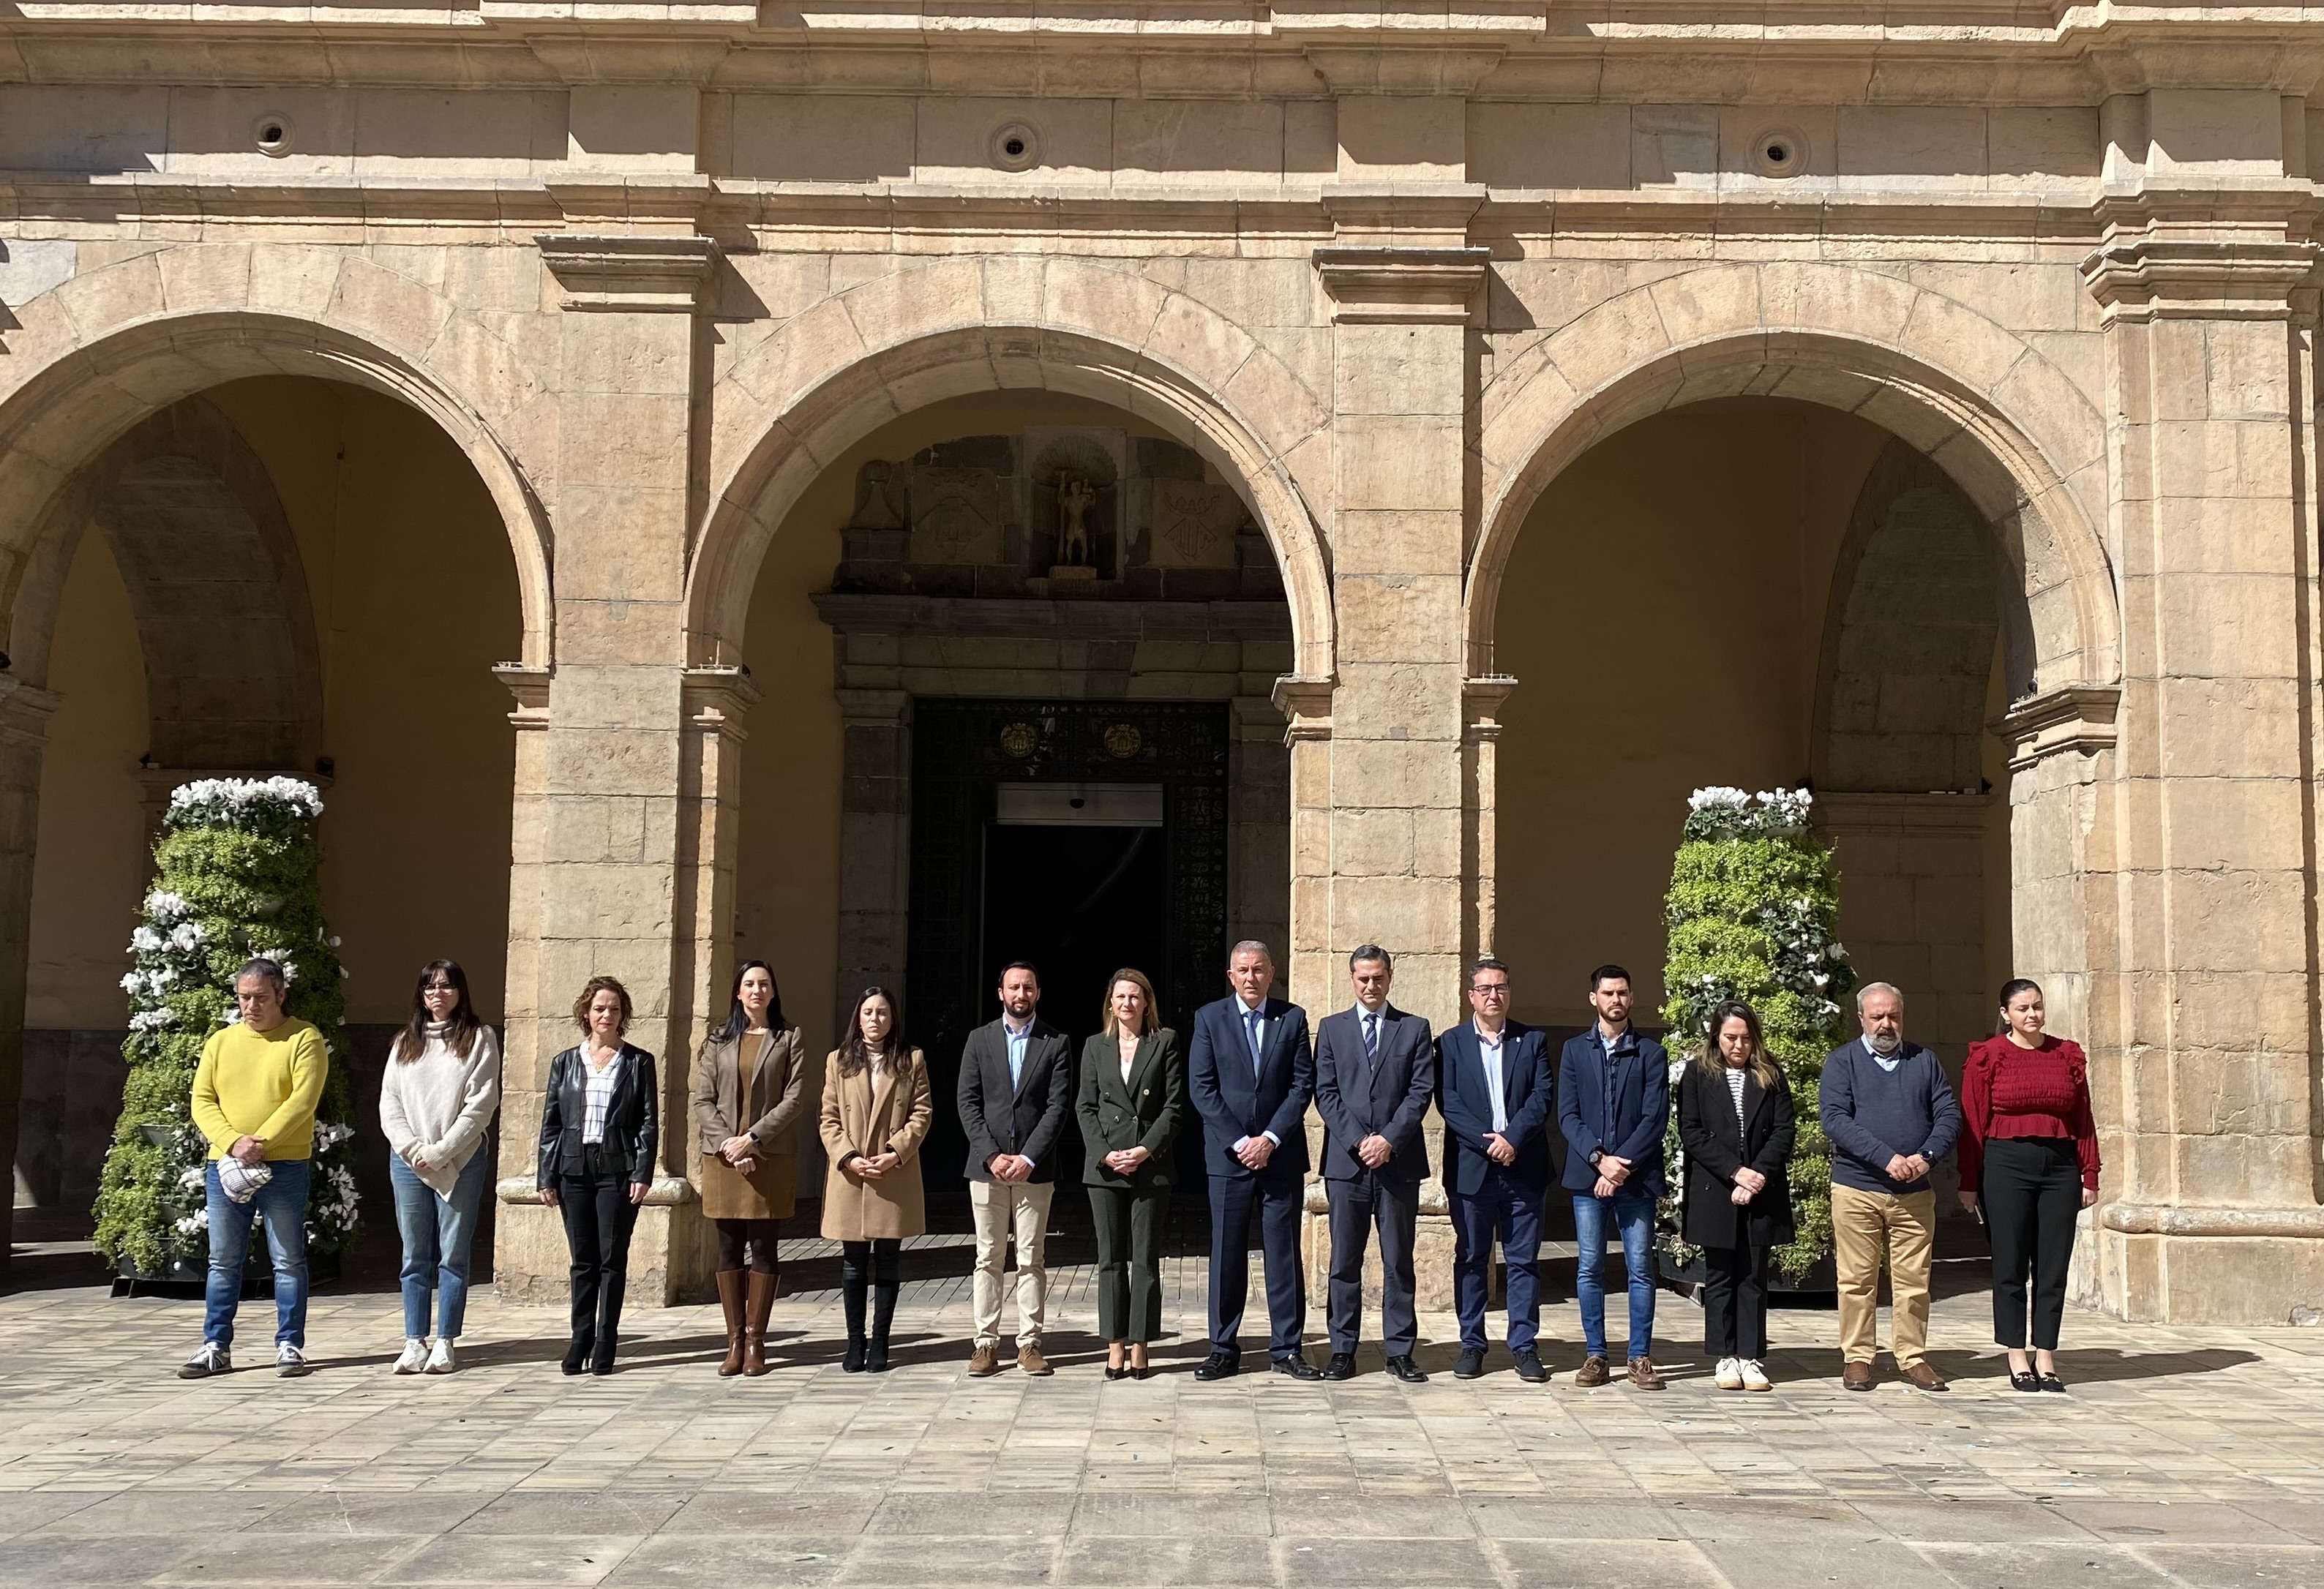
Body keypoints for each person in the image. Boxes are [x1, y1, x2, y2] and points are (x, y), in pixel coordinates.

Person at [179, 958, 329, 1380]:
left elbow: (302, 1101)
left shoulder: (304, 1039)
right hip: (225, 1164)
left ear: (281, 995)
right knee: (223, 1261)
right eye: (244, 997)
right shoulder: (221, 1042)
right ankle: (215, 1346)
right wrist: (233, 1143)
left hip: (284, 1165)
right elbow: (202, 1100)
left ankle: (289, 1345)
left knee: (287, 1259)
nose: (251, 1006)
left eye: (261, 997)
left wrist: (259, 1142)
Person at [1185, 939, 1318, 1380]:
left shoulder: (1293, 1018)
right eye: (1242, 970)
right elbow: (1203, 1089)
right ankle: (1223, 1347)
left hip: (1279, 1157)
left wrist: (1271, 1139)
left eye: (1258, 969)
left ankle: (1288, 1349)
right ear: (1230, 975)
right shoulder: (1209, 1019)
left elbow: (1302, 1086)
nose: (1250, 977)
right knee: (1227, 1254)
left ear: (1271, 972)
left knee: (1283, 1255)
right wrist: (1242, 1141)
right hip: (1229, 1158)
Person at [1820, 980, 1961, 1392]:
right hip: (1857, 1188)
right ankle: (1859, 1357)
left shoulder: (1925, 1061)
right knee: (1857, 1280)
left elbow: (1948, 1116)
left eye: (1893, 1016)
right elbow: (1835, 1120)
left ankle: (1912, 1357)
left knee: (1914, 1281)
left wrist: (1926, 1157)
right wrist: (1886, 1157)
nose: (1886, 1024)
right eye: (1877, 1016)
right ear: (1860, 1017)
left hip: (1914, 1192)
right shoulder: (1842, 1062)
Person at [1960, 978, 2099, 1393]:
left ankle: (2046, 1355)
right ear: (2006, 1014)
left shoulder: (2066, 1055)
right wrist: (1969, 1182)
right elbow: (1972, 1122)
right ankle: (2016, 1354)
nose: (2032, 1015)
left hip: (2059, 1166)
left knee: (2053, 1266)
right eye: (2022, 1009)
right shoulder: (1988, 1057)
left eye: (2037, 1007)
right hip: (2005, 1165)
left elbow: (2083, 1118)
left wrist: (2088, 1173)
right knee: (2010, 1264)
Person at [1313, 944, 1436, 1383]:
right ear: (1352, 979)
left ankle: (1400, 1350)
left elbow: (1421, 1091)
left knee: (1398, 1260)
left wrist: (1387, 1139)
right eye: (1363, 978)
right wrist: (1358, 1140)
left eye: (1378, 978)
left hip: (1397, 1164)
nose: (1371, 985)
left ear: (1390, 978)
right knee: (1344, 1261)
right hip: (1347, 1166)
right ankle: (1343, 1349)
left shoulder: (1414, 1028)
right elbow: (1325, 1092)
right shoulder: (1331, 1029)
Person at [378, 959, 503, 1377]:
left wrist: (443, 1150)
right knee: (414, 1254)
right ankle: (414, 1340)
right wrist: (414, 1148)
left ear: (461, 992)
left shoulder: (479, 1039)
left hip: (462, 1160)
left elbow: (481, 1104)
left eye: (447, 986)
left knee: (452, 1254)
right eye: (430, 987)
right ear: (421, 994)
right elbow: (389, 1104)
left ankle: (446, 1341)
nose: (438, 994)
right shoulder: (404, 1042)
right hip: (409, 1162)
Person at [1436, 956, 1555, 1382]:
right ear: (1471, 996)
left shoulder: (1533, 1040)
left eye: (1500, 988)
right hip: (1473, 1168)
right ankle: (1472, 1344)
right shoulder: (1450, 1043)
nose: (1493, 996)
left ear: (1509, 992)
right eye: (1485, 989)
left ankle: (1523, 1346)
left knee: (1523, 1261)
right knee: (1471, 1258)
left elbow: (1542, 1097)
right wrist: (1489, 1143)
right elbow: (1448, 1101)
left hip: (1523, 1168)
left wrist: (1512, 1140)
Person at [690, 958, 807, 1378]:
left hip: (768, 1155)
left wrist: (752, 1139)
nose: (757, 990)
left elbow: (793, 1100)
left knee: (763, 1247)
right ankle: (734, 1341)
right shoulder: (717, 1041)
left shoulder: (788, 1037)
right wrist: (728, 1143)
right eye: (749, 984)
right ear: (738, 993)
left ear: (773, 992)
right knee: (727, 1248)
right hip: (723, 1158)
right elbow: (701, 1099)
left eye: (764, 984)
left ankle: (757, 1340)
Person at [536, 976, 658, 1377]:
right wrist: (545, 1176)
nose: (607, 1015)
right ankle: (579, 1339)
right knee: (582, 1261)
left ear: (623, 1016)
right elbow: (551, 1123)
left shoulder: (639, 1062)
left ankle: (606, 1341)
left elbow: (647, 1122)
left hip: (617, 1169)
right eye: (600, 1008)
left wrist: (643, 1171)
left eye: (615, 1009)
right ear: (586, 1013)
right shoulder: (565, 1062)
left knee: (611, 1259)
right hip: (574, 1167)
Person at [1556, 963, 1670, 1390]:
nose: (1616, 1000)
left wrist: (1620, 1166)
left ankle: (1640, 1357)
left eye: (1622, 993)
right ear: (1594, 999)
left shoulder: (1652, 1053)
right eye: (1608, 994)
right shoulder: (1573, 1050)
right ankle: (1597, 1355)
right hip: (1589, 1178)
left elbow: (1654, 1119)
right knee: (1590, 1267)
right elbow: (1567, 1114)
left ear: (1631, 997)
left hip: (1635, 1179)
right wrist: (1598, 1159)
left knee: (1640, 1267)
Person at [956, 961, 1072, 1378]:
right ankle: (985, 1344)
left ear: (1038, 993)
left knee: (1031, 1258)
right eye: (1013, 987)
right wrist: (991, 1155)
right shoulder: (979, 1039)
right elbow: (967, 1102)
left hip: (1034, 1171)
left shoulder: (1056, 1042)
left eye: (1028, 987)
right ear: (1000, 993)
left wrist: (1027, 1158)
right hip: (986, 1169)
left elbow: (1058, 1108)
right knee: (988, 1257)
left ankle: (1029, 1344)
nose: (1020, 994)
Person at [1676, 999, 1796, 1392]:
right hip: (1717, 1187)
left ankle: (1751, 1356)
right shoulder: (1697, 1074)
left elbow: (1783, 1130)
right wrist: (1735, 1172)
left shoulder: (1771, 1074)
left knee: (1754, 1275)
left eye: (1745, 1038)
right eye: (1730, 1038)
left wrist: (1757, 1175)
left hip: (1760, 1189)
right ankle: (1725, 1355)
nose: (1738, 1046)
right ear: (1716, 1036)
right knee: (1721, 1274)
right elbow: (1691, 1132)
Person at [1076, 967, 1185, 1379]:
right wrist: (1106, 1154)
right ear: (1111, 1003)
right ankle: (1114, 1345)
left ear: (1146, 1002)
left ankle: (1140, 1343)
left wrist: (1143, 1150)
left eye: (1135, 997)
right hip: (1105, 1169)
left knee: (1144, 1258)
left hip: (1149, 1166)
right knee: (1109, 1259)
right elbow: (1085, 1107)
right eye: (1120, 997)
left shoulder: (1165, 1042)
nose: (1127, 1004)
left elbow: (1175, 1107)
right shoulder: (1093, 1046)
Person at [819, 986, 931, 1373]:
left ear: (892, 1018)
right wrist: (848, 1157)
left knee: (887, 1261)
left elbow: (922, 1113)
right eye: (868, 1012)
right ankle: (855, 1342)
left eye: (882, 1012)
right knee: (852, 1263)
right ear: (858, 1017)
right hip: (852, 1175)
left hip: (891, 1172)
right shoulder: (838, 1061)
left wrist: (896, 1152)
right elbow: (828, 1118)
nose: (875, 1019)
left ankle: (881, 1342)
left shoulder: (911, 1059)